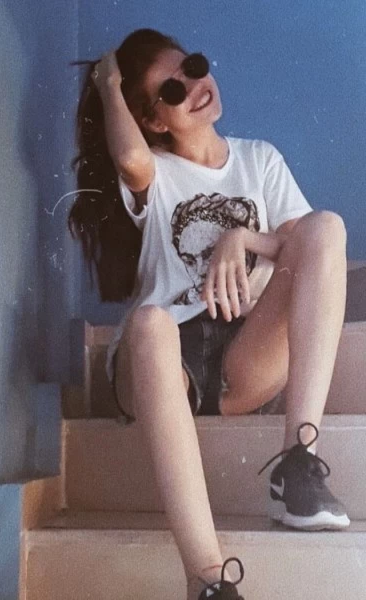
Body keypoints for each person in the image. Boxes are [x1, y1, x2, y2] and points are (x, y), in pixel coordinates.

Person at [68, 28, 349, 600]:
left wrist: (241, 238)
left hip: (243, 353)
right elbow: (128, 156)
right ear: (154, 120)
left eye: (193, 67)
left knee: (327, 227)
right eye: (172, 89)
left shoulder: (258, 159)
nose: (195, 86)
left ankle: (299, 463)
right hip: (164, 359)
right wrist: (108, 81)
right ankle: (207, 579)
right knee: (150, 322)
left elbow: (305, 245)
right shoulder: (154, 172)